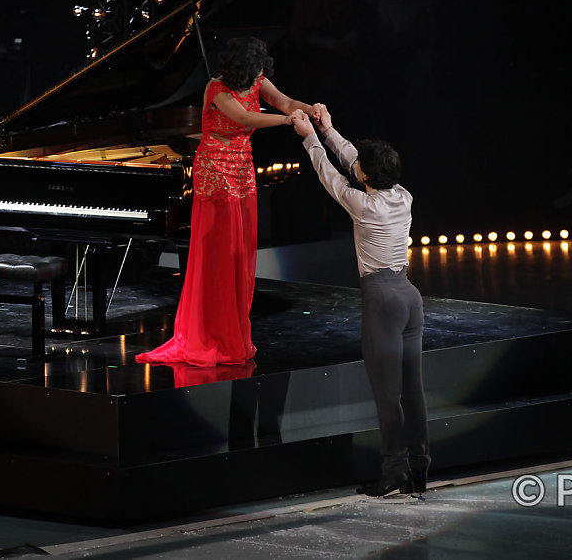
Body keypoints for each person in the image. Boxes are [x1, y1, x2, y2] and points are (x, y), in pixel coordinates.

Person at [135, 37, 318, 367]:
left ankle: (231, 332)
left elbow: (287, 102)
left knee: (239, 252)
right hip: (215, 173)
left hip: (242, 170)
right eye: (258, 67)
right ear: (245, 67)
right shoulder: (216, 89)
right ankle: (207, 335)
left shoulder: (257, 82)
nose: (262, 73)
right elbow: (246, 120)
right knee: (219, 254)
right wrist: (288, 122)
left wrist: (309, 109)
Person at [291, 106, 429, 497]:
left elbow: (330, 174)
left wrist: (310, 137)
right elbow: (355, 163)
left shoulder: (363, 205)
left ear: (366, 175)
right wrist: (330, 128)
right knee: (413, 390)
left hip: (383, 300)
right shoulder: (404, 196)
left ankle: (393, 472)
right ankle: (419, 467)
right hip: (410, 296)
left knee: (387, 394)